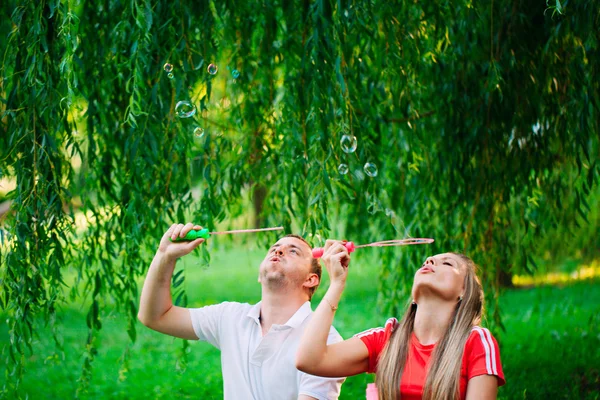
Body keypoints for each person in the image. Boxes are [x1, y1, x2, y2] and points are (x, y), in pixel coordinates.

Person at [138, 223, 345, 400]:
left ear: (311, 279)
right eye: (275, 248)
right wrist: (165, 255)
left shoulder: (325, 341)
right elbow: (155, 316)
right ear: (259, 275)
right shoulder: (230, 317)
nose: (278, 251)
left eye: (293, 251)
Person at [296, 240, 505, 400]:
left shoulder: (476, 341)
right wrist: (337, 284)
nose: (430, 261)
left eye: (447, 263)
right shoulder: (386, 339)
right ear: (414, 295)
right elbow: (309, 360)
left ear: (464, 292)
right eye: (428, 260)